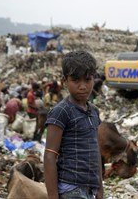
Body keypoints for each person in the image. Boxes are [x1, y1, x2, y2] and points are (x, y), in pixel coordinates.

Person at [44, 51, 103, 199]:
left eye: (88, 79)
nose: (83, 86)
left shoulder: (93, 111)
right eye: (76, 80)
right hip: (71, 189)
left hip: (90, 188)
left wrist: (100, 189)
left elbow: (96, 152)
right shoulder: (61, 111)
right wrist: (53, 196)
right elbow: (50, 155)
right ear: (64, 81)